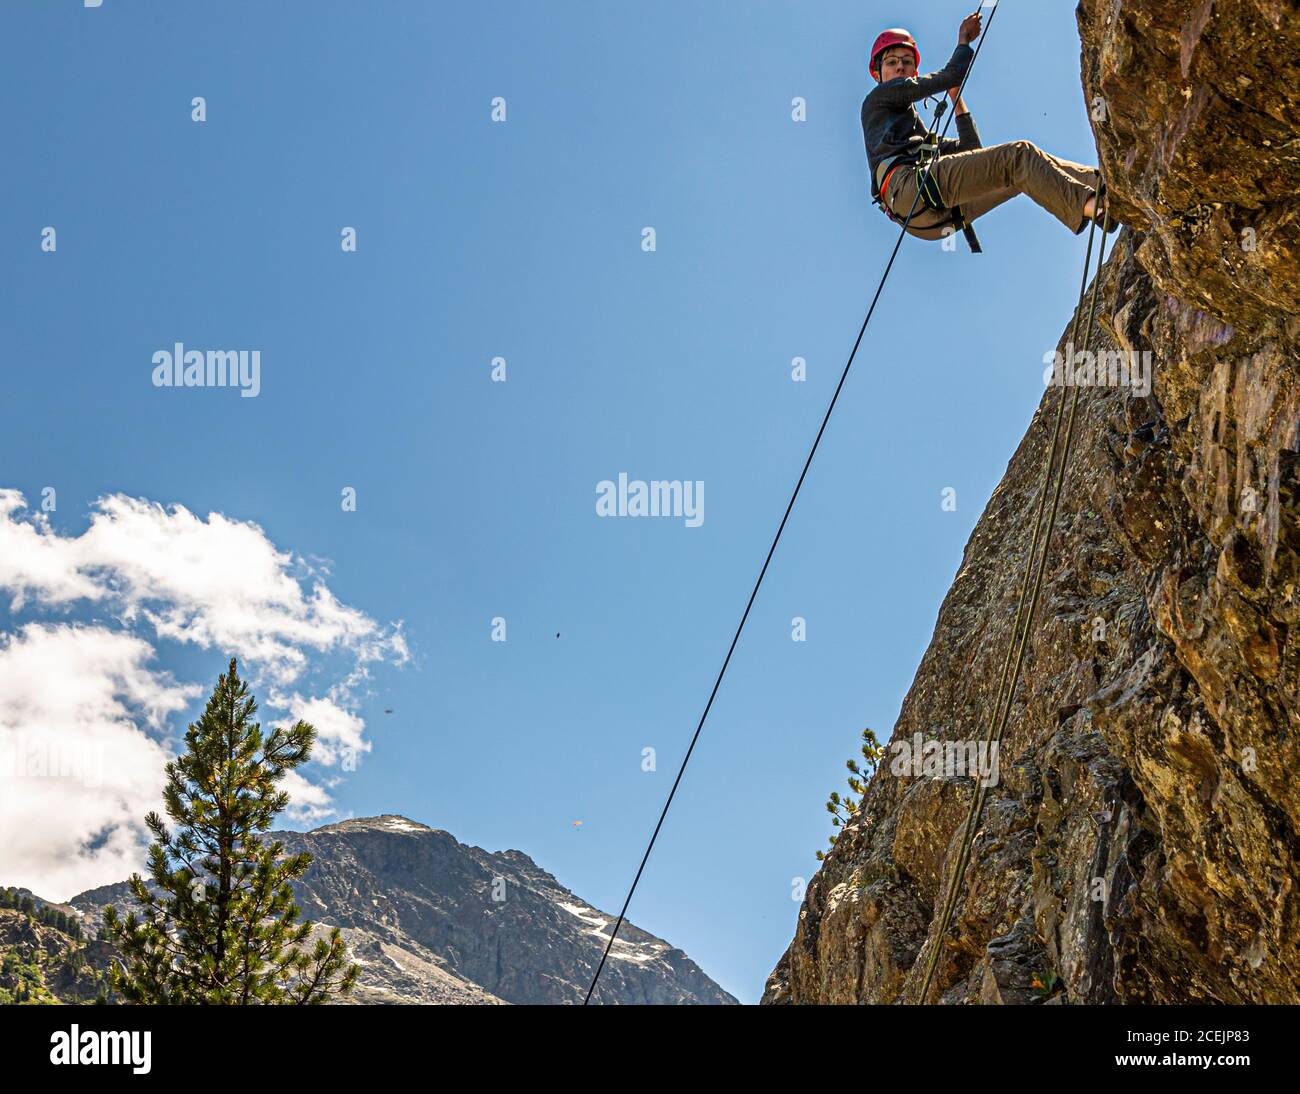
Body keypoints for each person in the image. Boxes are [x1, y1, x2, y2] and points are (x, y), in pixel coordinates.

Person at [862, 14, 1115, 243]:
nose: (899, 67)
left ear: (914, 70)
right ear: (878, 73)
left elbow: (970, 150)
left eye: (906, 62)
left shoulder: (914, 134)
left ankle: (1101, 185)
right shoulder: (878, 99)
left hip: (928, 218)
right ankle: (1093, 205)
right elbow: (952, 73)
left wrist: (955, 97)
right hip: (909, 190)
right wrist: (963, 40)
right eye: (892, 62)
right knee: (1019, 155)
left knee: (1023, 173)